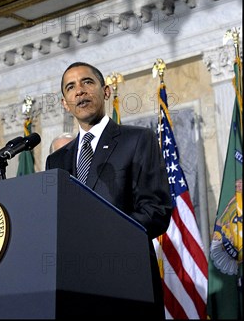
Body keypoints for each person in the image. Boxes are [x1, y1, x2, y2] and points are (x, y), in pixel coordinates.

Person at [45, 61, 172, 320]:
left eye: (87, 82)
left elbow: (156, 212)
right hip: (73, 288)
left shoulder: (138, 140)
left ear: (105, 92)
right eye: (71, 87)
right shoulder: (56, 161)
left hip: (126, 283)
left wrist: (100, 233)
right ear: (65, 103)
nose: (79, 91)